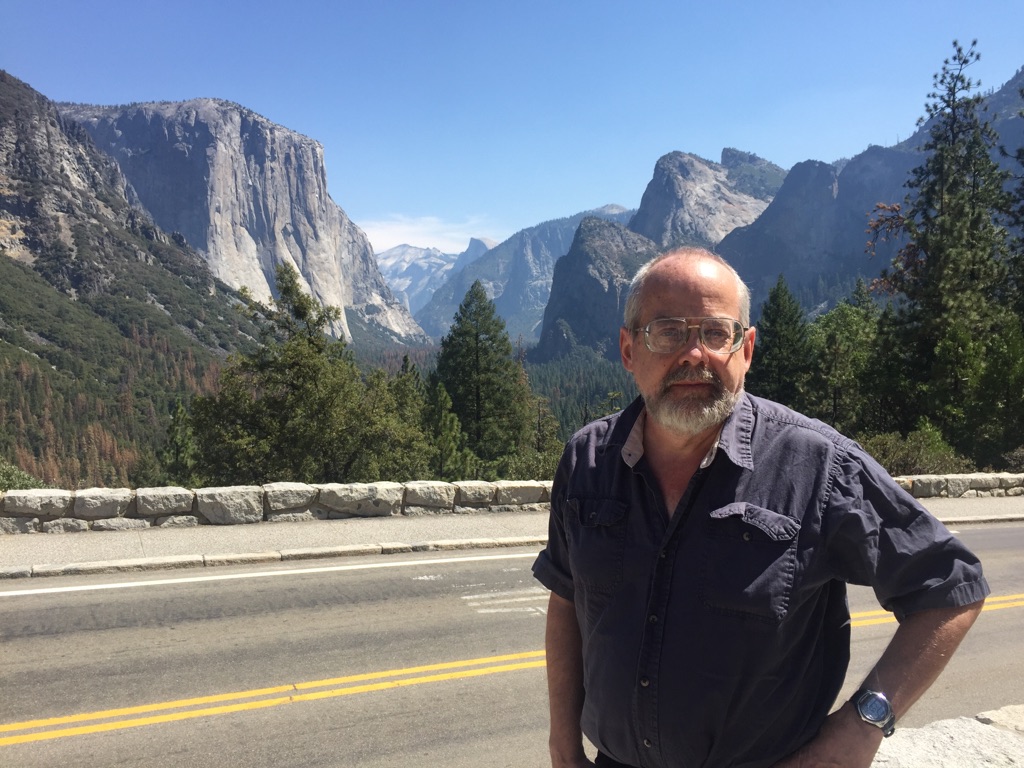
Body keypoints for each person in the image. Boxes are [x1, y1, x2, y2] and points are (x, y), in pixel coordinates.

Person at [532, 247, 989, 768]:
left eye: (714, 333)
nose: (693, 354)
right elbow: (567, 598)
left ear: (745, 348)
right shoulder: (587, 460)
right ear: (628, 349)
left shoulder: (820, 465)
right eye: (668, 332)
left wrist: (862, 727)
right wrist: (563, 744)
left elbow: (951, 587)